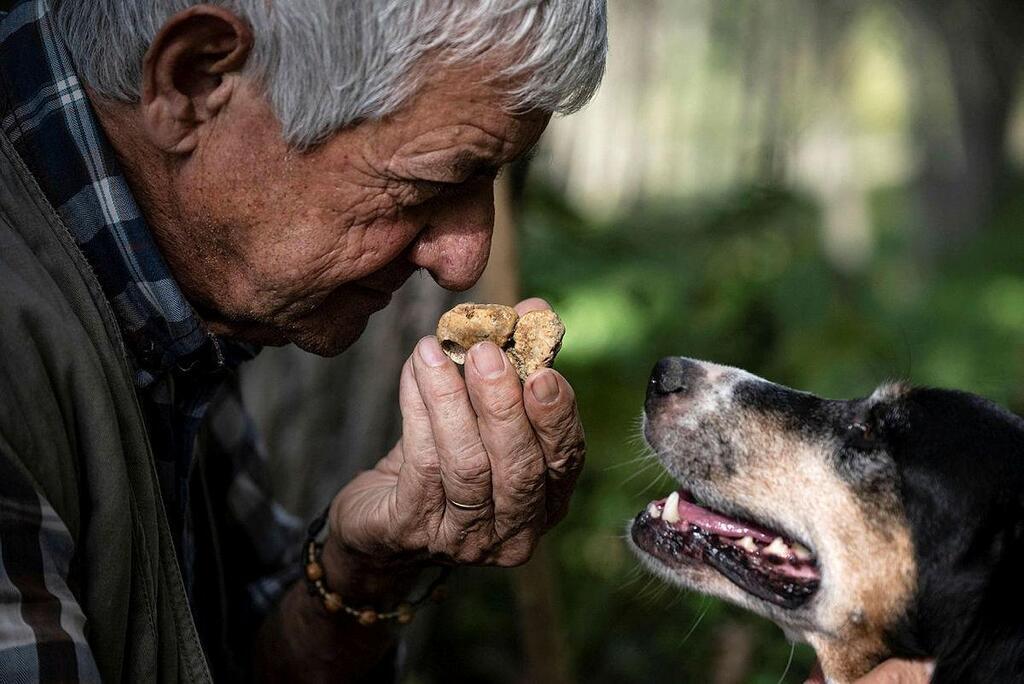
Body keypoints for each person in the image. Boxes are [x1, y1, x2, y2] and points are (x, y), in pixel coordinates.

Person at [0, 1, 931, 682]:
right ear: (198, 79)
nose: (464, 260)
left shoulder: (181, 305)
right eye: (430, 181)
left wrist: (366, 568)